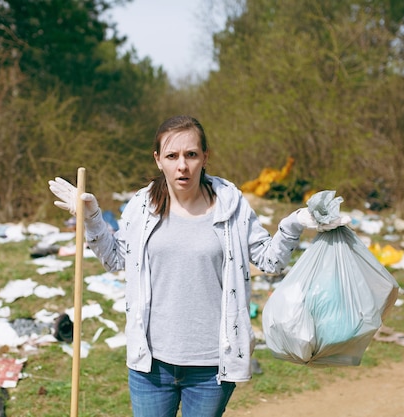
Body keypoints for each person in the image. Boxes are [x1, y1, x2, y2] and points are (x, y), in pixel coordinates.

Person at [48, 115, 347, 417]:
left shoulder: (232, 205)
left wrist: (293, 223)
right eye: (172, 156)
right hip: (150, 366)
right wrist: (92, 218)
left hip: (211, 368)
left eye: (191, 154)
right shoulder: (141, 206)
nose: (182, 165)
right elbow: (115, 259)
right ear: (158, 160)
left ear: (205, 157)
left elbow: (270, 260)